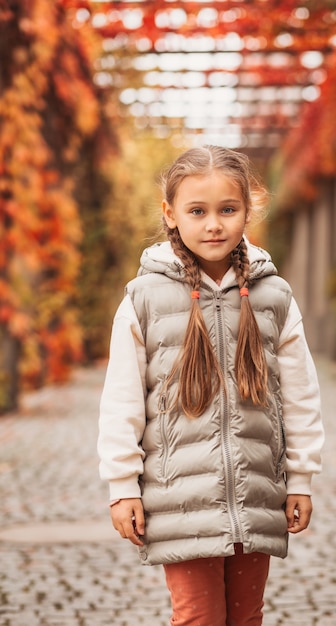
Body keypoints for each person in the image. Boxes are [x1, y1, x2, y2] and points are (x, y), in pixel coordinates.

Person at [97, 145, 324, 626]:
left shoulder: (274, 297)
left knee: (246, 617)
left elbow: (300, 396)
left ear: (248, 210)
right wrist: (122, 486)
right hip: (178, 498)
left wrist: (300, 479)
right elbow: (122, 400)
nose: (213, 224)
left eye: (228, 210)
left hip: (256, 494)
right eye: (197, 211)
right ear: (171, 214)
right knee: (198, 617)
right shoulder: (144, 299)